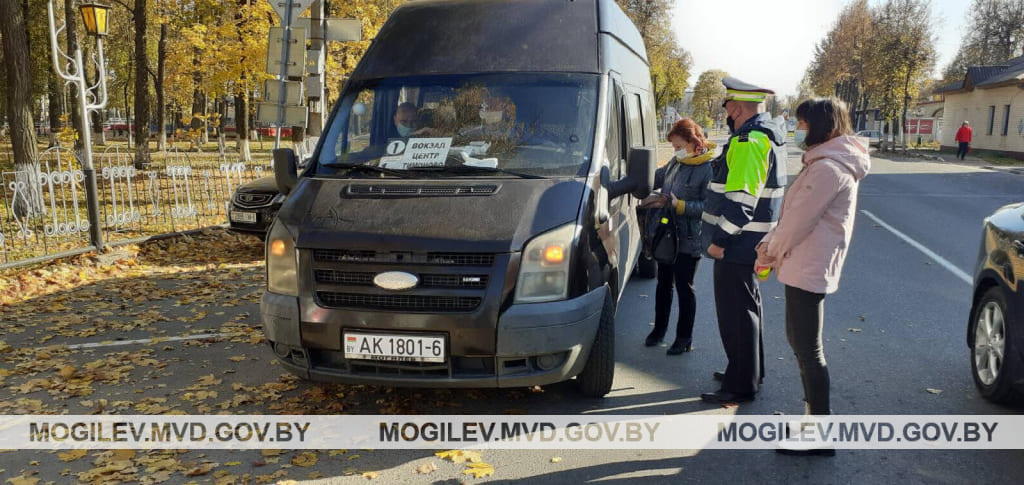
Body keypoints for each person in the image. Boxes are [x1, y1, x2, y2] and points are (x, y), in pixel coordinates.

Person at [756, 97, 870, 456]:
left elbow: (796, 222)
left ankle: (820, 431)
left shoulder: (827, 168)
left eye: (803, 123)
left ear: (820, 126)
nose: (799, 129)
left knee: (808, 348)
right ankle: (813, 420)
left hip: (808, 265)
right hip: (808, 263)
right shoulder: (827, 162)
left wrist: (769, 251)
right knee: (802, 343)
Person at [699, 77, 787, 404]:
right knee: (748, 310)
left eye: (727, 105)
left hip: (736, 244)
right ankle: (748, 370)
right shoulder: (766, 136)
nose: (727, 111)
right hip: (751, 243)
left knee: (737, 315)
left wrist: (719, 240)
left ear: (735, 107)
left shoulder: (748, 141)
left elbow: (741, 201)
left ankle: (740, 384)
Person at [640, 119, 715, 355]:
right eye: (673, 147)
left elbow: (708, 206)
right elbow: (657, 178)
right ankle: (658, 331)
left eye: (678, 146)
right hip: (666, 235)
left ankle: (684, 338)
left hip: (689, 239)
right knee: (663, 285)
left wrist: (679, 204)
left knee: (684, 287)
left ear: (694, 142)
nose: (675, 150)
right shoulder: (677, 161)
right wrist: (640, 182)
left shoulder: (707, 168)